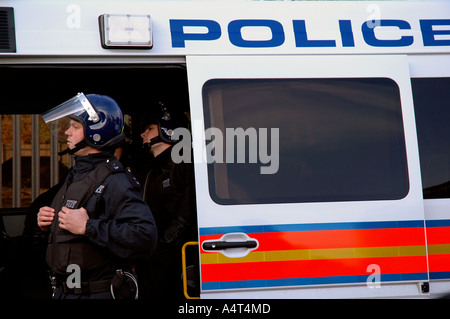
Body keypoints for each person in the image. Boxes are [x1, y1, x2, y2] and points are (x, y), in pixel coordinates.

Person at [37, 92, 157, 299]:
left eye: (75, 127)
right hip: (65, 291)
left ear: (97, 132)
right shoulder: (77, 174)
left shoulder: (116, 180)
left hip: (98, 292)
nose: (66, 132)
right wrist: (49, 222)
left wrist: (88, 227)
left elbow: (144, 237)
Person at [137, 103, 198, 299]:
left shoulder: (184, 162)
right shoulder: (152, 169)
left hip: (172, 259)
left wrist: (163, 246)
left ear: (168, 129)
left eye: (149, 128)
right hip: (153, 257)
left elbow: (187, 212)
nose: (143, 134)